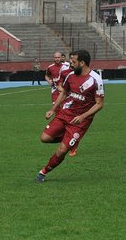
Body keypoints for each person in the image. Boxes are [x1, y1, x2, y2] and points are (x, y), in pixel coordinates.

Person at [35, 50, 104, 183]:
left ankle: (42, 172)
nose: (70, 64)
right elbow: (64, 92)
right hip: (65, 113)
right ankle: (70, 141)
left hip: (79, 121)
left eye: (73, 62)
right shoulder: (70, 75)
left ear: (82, 63)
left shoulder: (95, 79)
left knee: (61, 151)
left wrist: (83, 116)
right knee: (44, 138)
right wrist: (52, 109)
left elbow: (99, 104)